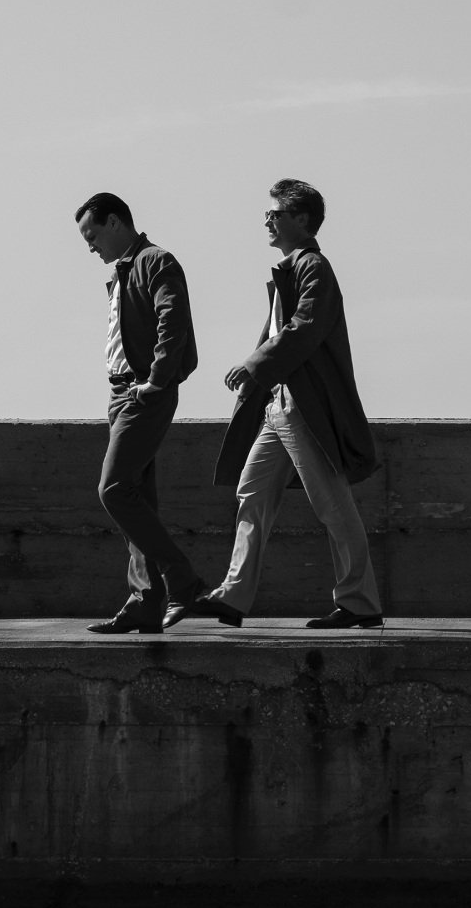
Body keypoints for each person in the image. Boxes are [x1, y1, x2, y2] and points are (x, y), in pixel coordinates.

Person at [171, 178, 384, 630]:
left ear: (301, 220)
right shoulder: (292, 270)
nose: (267, 221)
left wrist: (253, 363)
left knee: (331, 504)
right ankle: (233, 597)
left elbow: (304, 327)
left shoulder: (313, 267)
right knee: (252, 494)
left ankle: (359, 601)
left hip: (302, 406)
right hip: (279, 404)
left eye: (275, 214)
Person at [72, 192, 208, 634]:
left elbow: (174, 320)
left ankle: (182, 580)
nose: (89, 245)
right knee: (137, 499)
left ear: (115, 223)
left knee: (113, 490)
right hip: (121, 393)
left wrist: (157, 379)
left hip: (142, 392)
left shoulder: (156, 261)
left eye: (92, 234)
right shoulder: (123, 270)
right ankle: (146, 603)